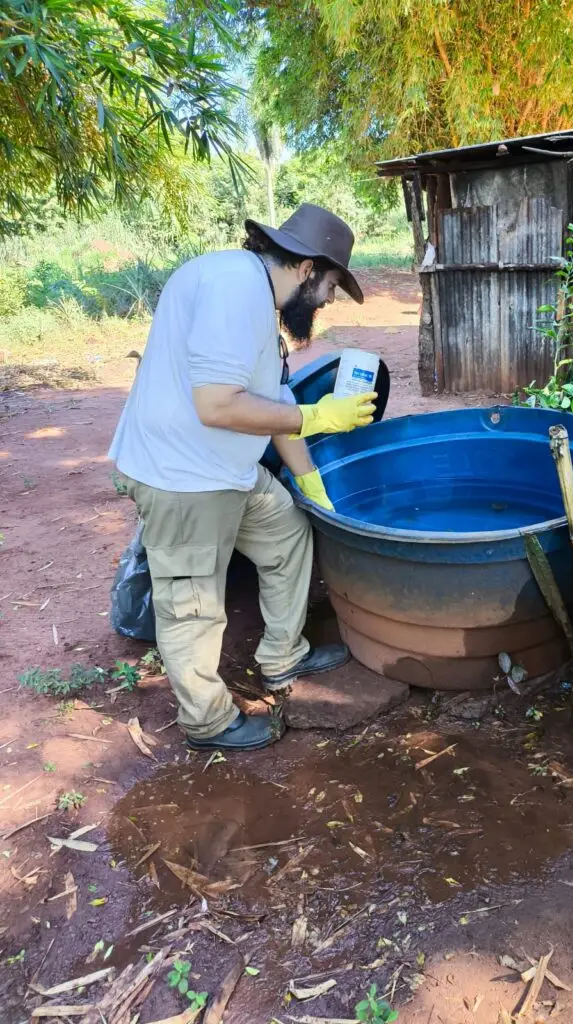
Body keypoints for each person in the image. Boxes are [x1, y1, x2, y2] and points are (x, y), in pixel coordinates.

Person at [108, 204, 377, 752]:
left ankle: (283, 657)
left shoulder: (256, 299)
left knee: (288, 534)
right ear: (306, 269)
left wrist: (312, 486)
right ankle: (206, 720)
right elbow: (218, 406)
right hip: (182, 475)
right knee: (193, 604)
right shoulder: (234, 288)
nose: (327, 302)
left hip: (224, 468)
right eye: (329, 286)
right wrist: (318, 416)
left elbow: (272, 402)